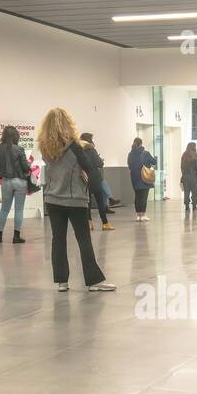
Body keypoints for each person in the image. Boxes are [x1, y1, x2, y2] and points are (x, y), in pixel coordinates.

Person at [41, 107, 115, 292]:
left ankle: (62, 282)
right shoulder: (75, 146)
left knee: (58, 240)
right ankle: (93, 281)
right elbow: (91, 169)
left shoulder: (45, 147)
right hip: (75, 200)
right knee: (83, 239)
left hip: (52, 198)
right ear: (68, 125)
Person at [0, 125, 30, 244]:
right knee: (18, 210)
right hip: (20, 181)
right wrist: (28, 166)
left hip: (6, 182)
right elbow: (25, 167)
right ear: (16, 136)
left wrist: (2, 175)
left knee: (4, 209)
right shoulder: (19, 149)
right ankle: (16, 237)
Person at [78, 132, 112, 231]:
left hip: (83, 178)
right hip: (95, 178)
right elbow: (99, 163)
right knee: (100, 201)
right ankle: (105, 223)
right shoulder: (91, 148)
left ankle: (89, 223)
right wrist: (100, 159)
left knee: (87, 202)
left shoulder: (78, 149)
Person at [127, 137, 157, 222]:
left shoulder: (130, 154)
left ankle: (138, 215)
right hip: (144, 177)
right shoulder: (145, 153)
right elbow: (154, 162)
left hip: (134, 177)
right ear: (141, 144)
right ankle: (143, 215)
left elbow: (129, 166)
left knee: (137, 196)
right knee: (143, 197)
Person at [180, 142, 197, 212]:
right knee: (194, 192)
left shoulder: (184, 156)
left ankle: (187, 207)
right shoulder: (196, 156)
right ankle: (194, 207)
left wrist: (183, 176)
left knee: (186, 192)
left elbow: (182, 167)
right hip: (194, 177)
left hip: (185, 177)